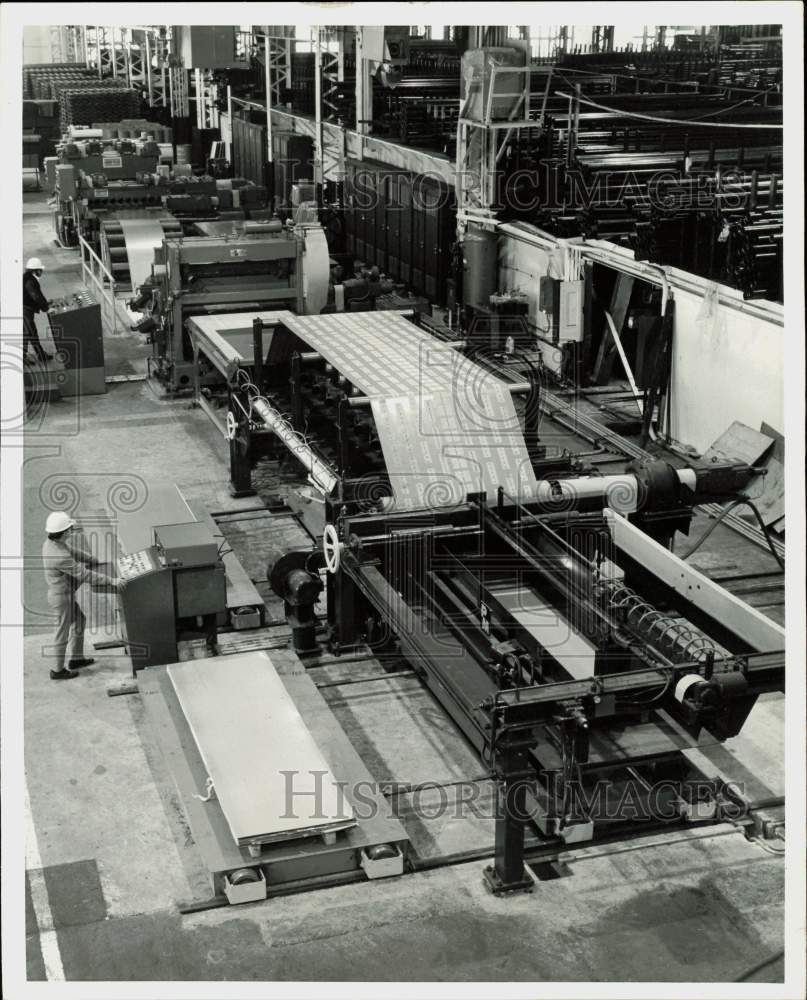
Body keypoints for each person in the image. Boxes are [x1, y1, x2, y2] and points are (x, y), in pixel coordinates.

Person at [42, 511, 121, 680]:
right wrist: (111, 580)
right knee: (61, 633)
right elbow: (84, 575)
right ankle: (57, 671)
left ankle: (76, 659)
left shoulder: (53, 543)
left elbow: (74, 551)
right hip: (61, 598)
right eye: (69, 529)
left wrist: (92, 559)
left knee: (80, 621)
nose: (72, 531)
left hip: (65, 594)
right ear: (63, 533)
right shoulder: (59, 556)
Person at [23, 257, 53, 365]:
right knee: (27, 333)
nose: (42, 272)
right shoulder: (30, 281)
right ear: (36, 270)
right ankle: (23, 357)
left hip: (26, 310)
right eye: (41, 270)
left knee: (31, 333)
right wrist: (47, 308)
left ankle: (41, 355)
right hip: (24, 311)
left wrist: (46, 303)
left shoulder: (28, 278)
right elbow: (36, 296)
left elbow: (38, 295)